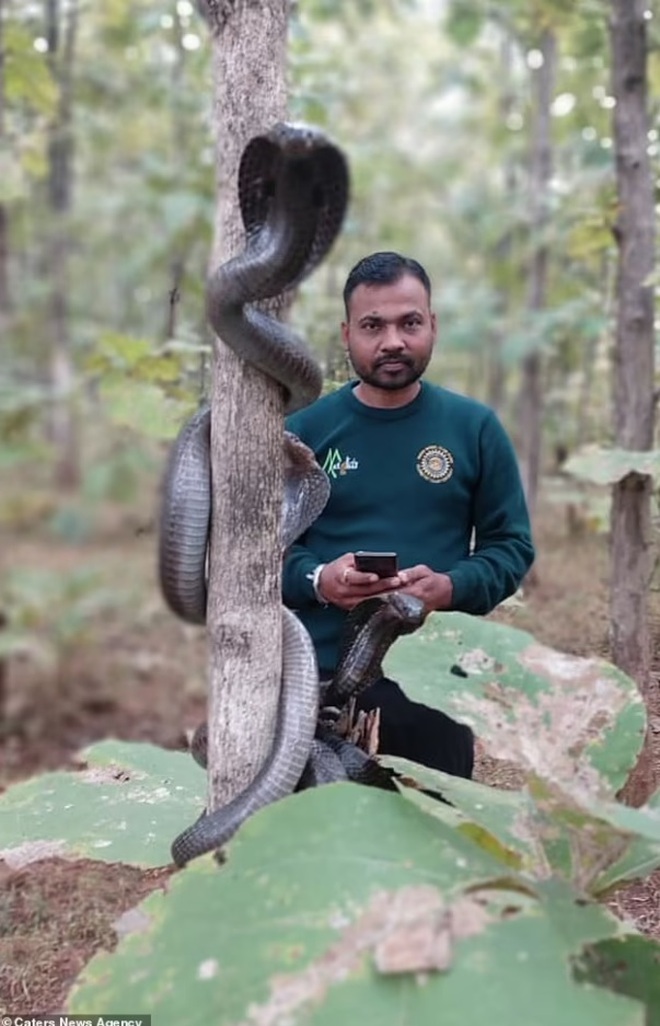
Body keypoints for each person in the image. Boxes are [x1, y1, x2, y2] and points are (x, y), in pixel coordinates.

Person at [282, 251, 535, 779]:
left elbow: (510, 547)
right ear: (347, 333)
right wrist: (320, 579)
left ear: (432, 326)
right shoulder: (304, 431)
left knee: (436, 844)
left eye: (409, 322)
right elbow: (262, 553)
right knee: (324, 848)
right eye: (373, 325)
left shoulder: (474, 428)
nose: (393, 340)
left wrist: (449, 586)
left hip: (435, 682)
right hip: (316, 685)